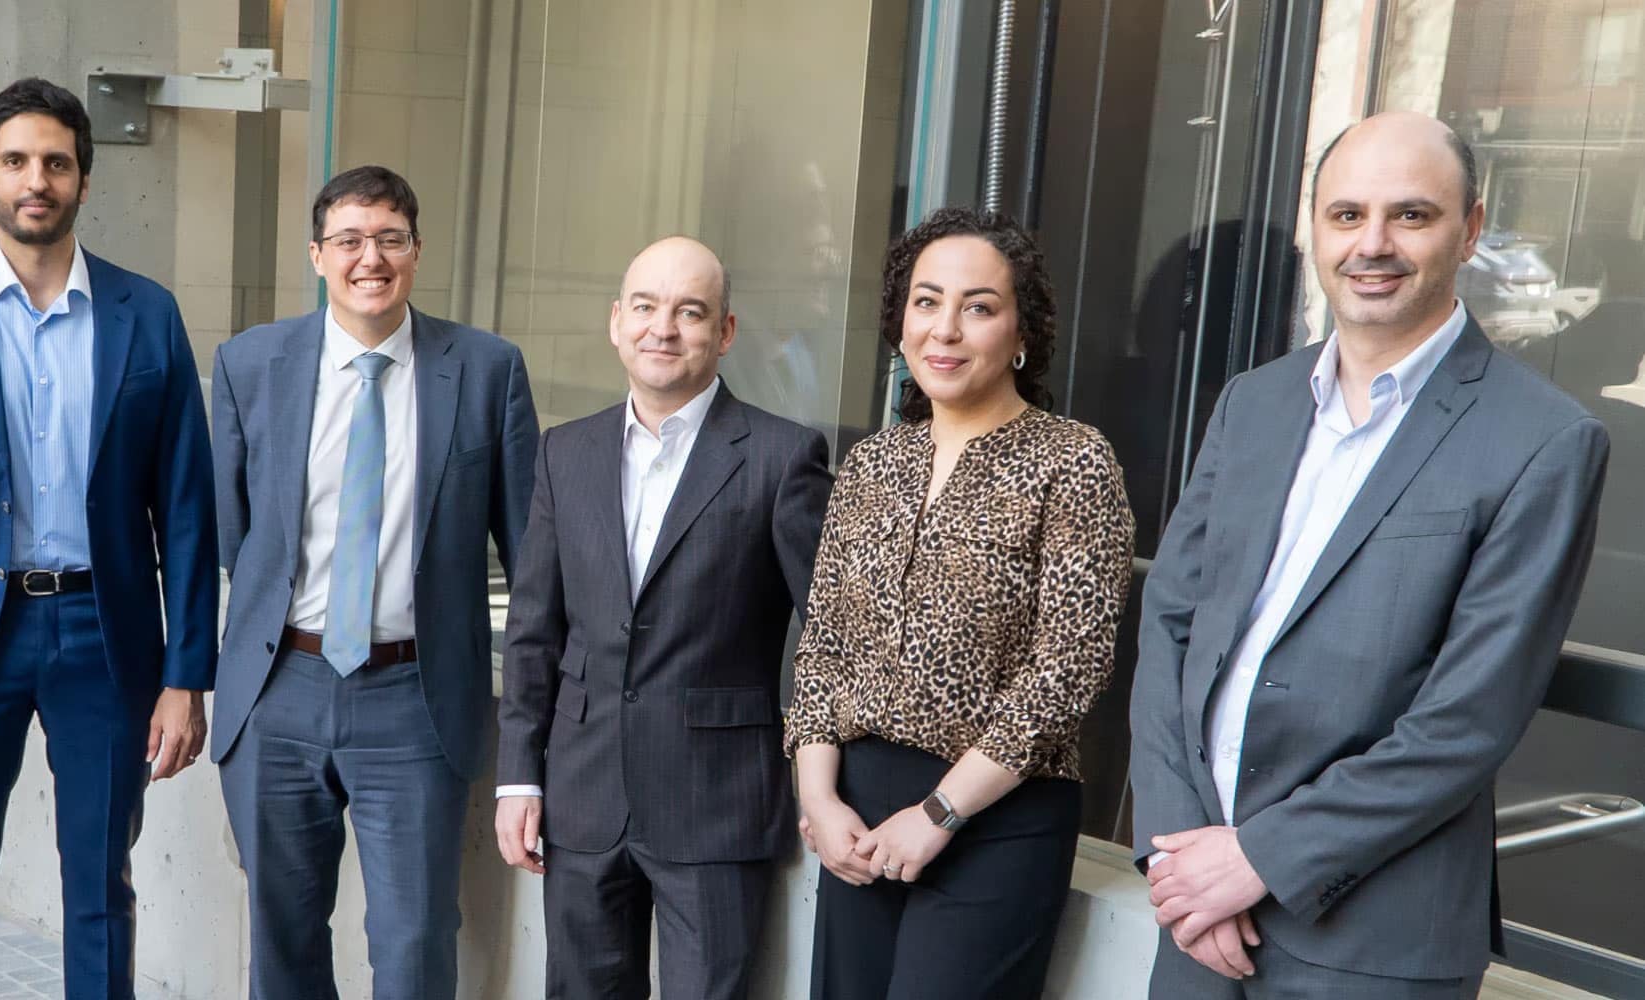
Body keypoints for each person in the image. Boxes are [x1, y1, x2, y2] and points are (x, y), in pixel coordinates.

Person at [1129, 111, 1610, 998]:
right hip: (1194, 912)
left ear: (1470, 229)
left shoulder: (1544, 440)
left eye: (1411, 215)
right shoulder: (1253, 402)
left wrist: (1257, 859)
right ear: (1315, 228)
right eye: (1347, 214)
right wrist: (1175, 855)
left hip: (1371, 943)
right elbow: (1170, 626)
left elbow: (1468, 719)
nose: (1373, 244)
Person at [0, 77, 218, 999]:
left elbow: (186, 510)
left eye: (56, 163)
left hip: (104, 638)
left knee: (100, 887)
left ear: (83, 181)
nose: (37, 180)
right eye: (16, 161)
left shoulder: (147, 314)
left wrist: (186, 675)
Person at [783, 206, 1136, 999]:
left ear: (1022, 332)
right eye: (926, 302)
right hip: (858, 812)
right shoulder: (873, 463)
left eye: (978, 307)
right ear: (900, 323)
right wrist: (819, 798)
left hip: (997, 815)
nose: (944, 329)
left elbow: (1070, 669)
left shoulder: (1073, 461)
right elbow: (824, 648)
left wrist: (940, 811)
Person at [209, 164, 538, 999]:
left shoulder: (487, 369)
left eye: (391, 239)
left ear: (417, 251)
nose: (371, 258)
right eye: (350, 240)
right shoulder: (250, 364)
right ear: (317, 254)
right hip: (278, 689)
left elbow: (530, 552)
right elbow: (236, 536)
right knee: (281, 935)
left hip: (414, 699)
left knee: (415, 938)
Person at [494, 236, 831, 999]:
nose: (663, 329)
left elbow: (832, 635)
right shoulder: (564, 453)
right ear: (617, 320)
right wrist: (518, 775)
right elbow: (534, 630)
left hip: (716, 801)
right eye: (645, 307)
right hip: (582, 793)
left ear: (726, 331)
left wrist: (825, 780)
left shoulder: (783, 457)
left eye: (690, 311)